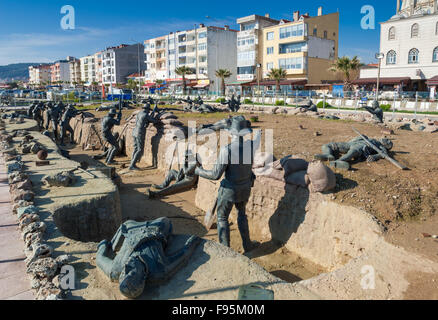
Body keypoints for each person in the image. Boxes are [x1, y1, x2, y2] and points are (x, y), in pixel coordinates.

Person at [194, 116, 260, 253]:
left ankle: (225, 250)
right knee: (242, 214)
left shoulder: (227, 150)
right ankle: (247, 245)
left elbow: (215, 175)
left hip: (229, 190)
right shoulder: (252, 146)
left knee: (222, 217)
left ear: (231, 133)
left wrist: (198, 170)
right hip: (245, 188)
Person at [96, 217, 201, 299]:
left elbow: (100, 258)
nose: (127, 265)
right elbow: (183, 256)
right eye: (131, 271)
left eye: (125, 272)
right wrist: (193, 242)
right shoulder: (159, 269)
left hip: (130, 228)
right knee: (166, 221)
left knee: (120, 234)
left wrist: (103, 245)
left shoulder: (115, 270)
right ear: (143, 277)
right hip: (157, 227)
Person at [314, 136, 393, 170]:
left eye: (389, 142)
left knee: (351, 153)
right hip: (350, 144)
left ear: (387, 146)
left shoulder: (380, 146)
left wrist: (375, 156)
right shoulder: (370, 138)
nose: (387, 139)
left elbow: (384, 154)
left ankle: (338, 161)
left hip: (361, 147)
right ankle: (328, 154)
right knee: (328, 145)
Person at [129, 103, 158, 170]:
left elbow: (146, 120)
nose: (149, 111)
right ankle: (132, 165)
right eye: (149, 110)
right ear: (147, 109)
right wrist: (153, 116)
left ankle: (132, 162)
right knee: (139, 149)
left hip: (134, 131)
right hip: (140, 133)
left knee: (135, 148)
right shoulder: (145, 115)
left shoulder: (139, 113)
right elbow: (154, 121)